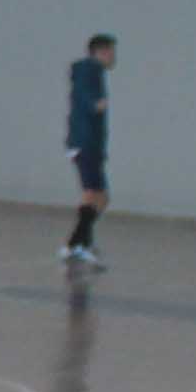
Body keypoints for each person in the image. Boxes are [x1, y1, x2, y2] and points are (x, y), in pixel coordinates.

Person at [63, 31, 118, 272]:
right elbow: (87, 99)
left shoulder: (93, 71)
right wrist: (96, 103)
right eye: (111, 51)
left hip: (90, 144)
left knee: (101, 197)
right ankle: (77, 245)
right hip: (85, 144)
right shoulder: (89, 69)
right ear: (101, 51)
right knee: (92, 194)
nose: (113, 56)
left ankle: (78, 242)